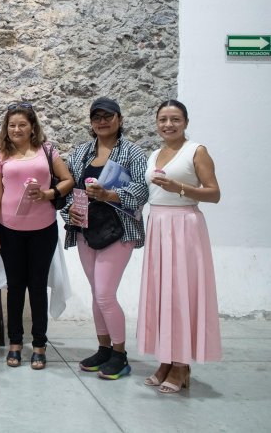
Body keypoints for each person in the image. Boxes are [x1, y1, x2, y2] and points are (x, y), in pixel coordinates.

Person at [137, 100, 221, 394]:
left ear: (185, 122)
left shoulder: (196, 151)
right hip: (158, 225)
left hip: (185, 227)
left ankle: (181, 364)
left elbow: (214, 194)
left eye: (174, 119)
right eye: (163, 119)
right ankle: (166, 360)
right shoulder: (154, 153)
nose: (168, 125)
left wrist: (180, 188)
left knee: (181, 295)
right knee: (163, 295)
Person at [61, 97, 149, 380]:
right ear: (91, 122)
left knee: (104, 294)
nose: (102, 121)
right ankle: (103, 349)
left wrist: (110, 195)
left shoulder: (133, 153)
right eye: (96, 117)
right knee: (97, 296)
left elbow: (141, 192)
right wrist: (69, 211)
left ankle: (120, 355)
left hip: (119, 231)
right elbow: (67, 188)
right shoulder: (81, 153)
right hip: (87, 230)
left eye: (108, 116)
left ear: (120, 120)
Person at [0, 102, 73, 370]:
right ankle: (15, 343)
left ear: (32, 126)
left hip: (43, 230)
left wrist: (49, 194)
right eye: (12, 124)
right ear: (6, 127)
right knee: (14, 288)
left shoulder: (47, 150)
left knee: (37, 288)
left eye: (22, 124)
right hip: (9, 230)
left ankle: (39, 345)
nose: (16, 129)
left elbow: (67, 179)